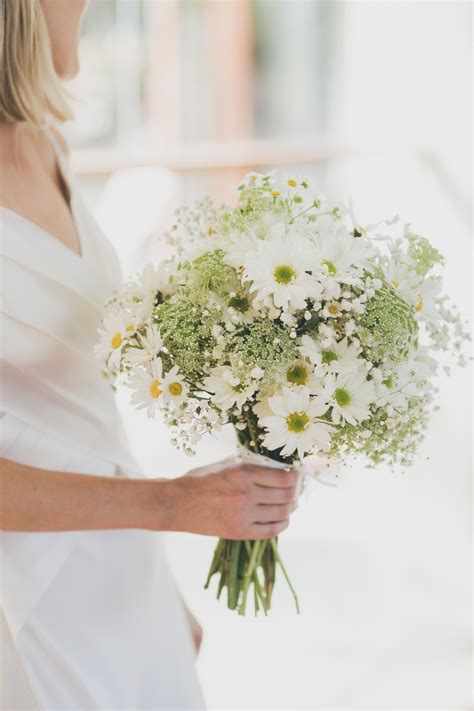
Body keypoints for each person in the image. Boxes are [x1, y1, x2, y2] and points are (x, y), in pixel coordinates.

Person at [0, 1, 300, 708]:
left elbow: (83, 413)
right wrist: (170, 502)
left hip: (118, 567)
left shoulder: (48, 139)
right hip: (26, 600)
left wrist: (156, 580)